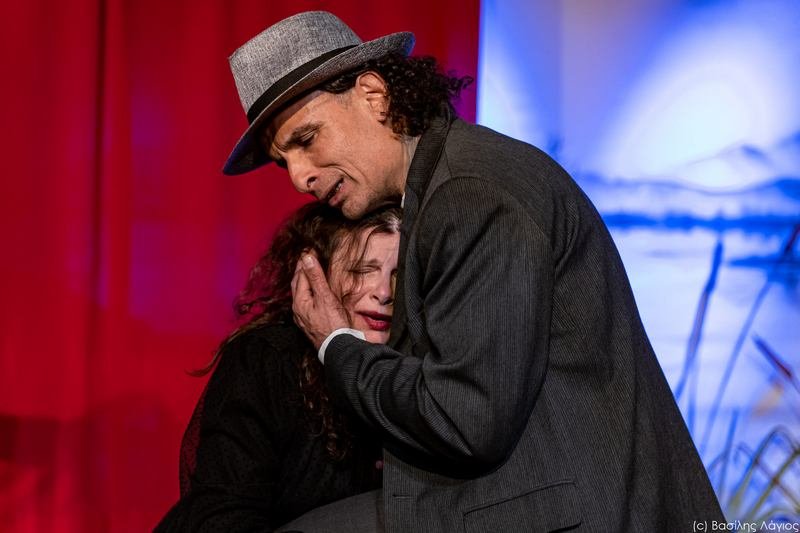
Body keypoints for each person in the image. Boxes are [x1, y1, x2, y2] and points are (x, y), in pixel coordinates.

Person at [222, 11, 725, 532]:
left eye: (306, 139)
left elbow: (465, 418)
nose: (299, 177)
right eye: (284, 161)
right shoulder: (450, 183)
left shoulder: (470, 193)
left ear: (374, 96)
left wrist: (337, 345)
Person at [155, 202, 401, 532]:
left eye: (399, 275)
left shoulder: (415, 371)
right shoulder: (268, 358)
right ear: (315, 277)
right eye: (361, 271)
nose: (384, 293)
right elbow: (222, 518)